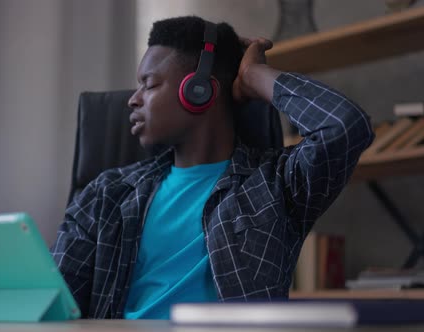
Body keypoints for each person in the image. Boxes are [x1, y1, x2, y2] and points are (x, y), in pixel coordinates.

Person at [51, 16, 374, 319]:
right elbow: (55, 305)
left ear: (198, 91)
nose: (133, 100)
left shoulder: (275, 184)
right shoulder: (107, 193)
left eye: (148, 84)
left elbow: (345, 126)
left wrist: (253, 76)